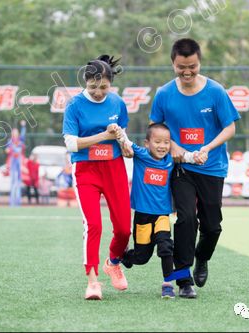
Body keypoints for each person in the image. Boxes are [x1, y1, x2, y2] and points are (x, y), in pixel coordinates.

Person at [150, 38, 239, 298]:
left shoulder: (216, 92)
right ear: (173, 64)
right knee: (186, 219)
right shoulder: (164, 93)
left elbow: (230, 126)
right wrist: (173, 146)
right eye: (181, 67)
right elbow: (155, 126)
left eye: (192, 66)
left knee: (212, 227)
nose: (187, 72)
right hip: (181, 169)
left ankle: (202, 257)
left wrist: (208, 148)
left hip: (212, 167)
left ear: (199, 62)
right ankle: (183, 279)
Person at [62, 54, 131, 300]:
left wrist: (125, 143)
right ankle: (93, 281)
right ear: (85, 82)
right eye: (93, 86)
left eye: (103, 87)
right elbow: (71, 143)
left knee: (124, 228)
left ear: (110, 84)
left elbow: (121, 131)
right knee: (94, 225)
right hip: (85, 170)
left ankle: (113, 262)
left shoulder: (117, 103)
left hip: (114, 168)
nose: (99, 91)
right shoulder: (74, 105)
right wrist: (104, 135)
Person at [114, 123, 198, 298]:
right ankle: (125, 256)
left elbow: (186, 157)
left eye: (166, 142)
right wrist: (117, 130)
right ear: (147, 143)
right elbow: (126, 142)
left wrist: (197, 156)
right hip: (143, 216)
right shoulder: (141, 155)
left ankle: (167, 284)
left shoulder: (170, 160)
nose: (162, 146)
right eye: (157, 141)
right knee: (141, 257)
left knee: (166, 247)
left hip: (161, 215)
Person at [5, 120, 26, 207]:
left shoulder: (21, 140)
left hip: (19, 162)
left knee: (18, 182)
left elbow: (23, 134)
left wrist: (23, 126)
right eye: (14, 132)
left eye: (16, 132)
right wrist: (9, 150)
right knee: (13, 182)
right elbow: (6, 150)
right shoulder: (10, 141)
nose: (15, 134)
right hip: (13, 162)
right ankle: (12, 202)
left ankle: (18, 202)